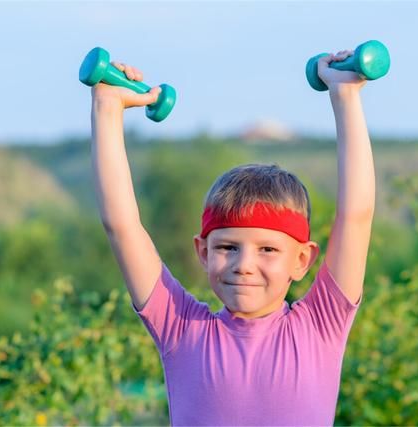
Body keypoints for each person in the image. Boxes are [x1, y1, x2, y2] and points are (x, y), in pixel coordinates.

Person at [90, 48, 375, 426]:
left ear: (302, 260)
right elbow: (122, 225)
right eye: (227, 247)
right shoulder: (180, 327)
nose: (244, 265)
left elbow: (356, 216)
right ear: (203, 251)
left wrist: (345, 94)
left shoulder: (321, 324)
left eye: (268, 249)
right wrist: (107, 109)